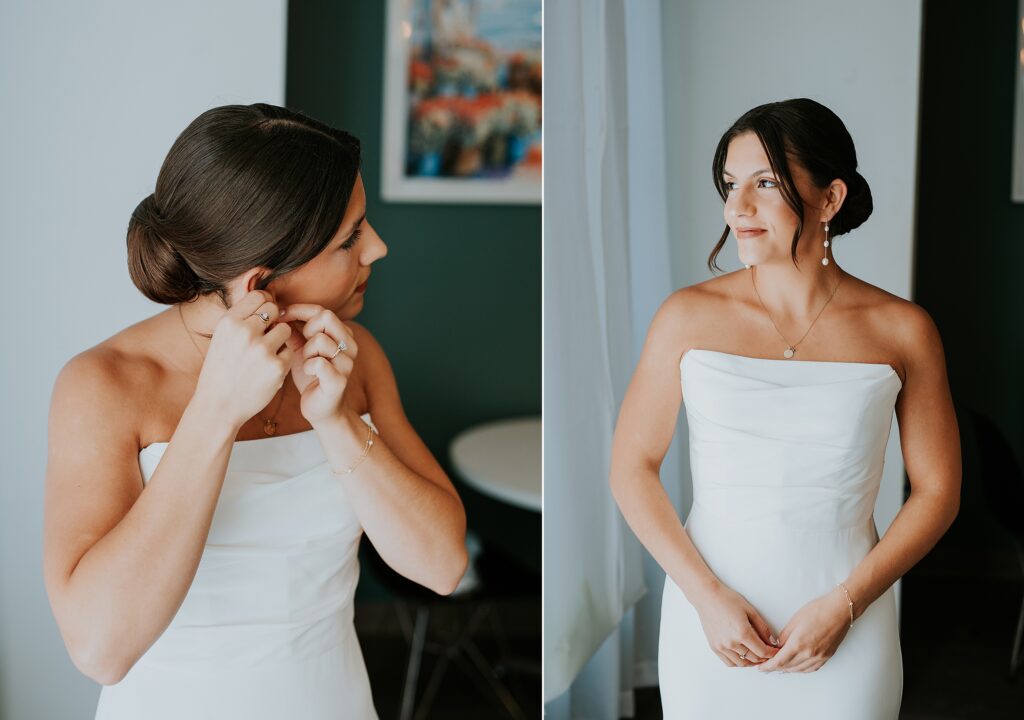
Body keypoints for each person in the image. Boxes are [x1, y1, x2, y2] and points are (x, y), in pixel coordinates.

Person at [42, 103, 469, 719]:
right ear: (258, 286)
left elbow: (443, 565)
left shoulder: (357, 357)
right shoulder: (103, 386)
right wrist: (215, 414)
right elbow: (100, 649)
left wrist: (338, 423)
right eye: (350, 237)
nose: (376, 248)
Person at [608, 98, 960, 718]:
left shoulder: (903, 330)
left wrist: (845, 606)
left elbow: (937, 492)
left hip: (849, 625)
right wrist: (705, 597)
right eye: (729, 184)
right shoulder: (686, 316)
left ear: (829, 199)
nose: (735, 208)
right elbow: (631, 467)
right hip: (711, 629)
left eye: (764, 183)